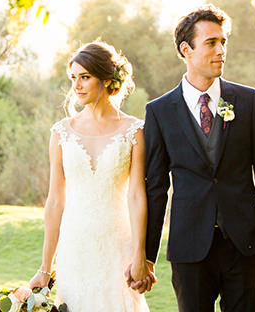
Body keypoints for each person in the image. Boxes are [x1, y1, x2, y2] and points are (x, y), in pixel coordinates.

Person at [140, 6, 255, 311]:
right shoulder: (160, 111)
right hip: (189, 247)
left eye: (223, 41)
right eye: (210, 43)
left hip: (243, 244)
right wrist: (147, 255)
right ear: (186, 49)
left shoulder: (248, 101)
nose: (221, 50)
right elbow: (155, 189)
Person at [26, 41, 152, 312]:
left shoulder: (135, 131)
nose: (77, 86)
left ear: (107, 80)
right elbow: (55, 202)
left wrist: (140, 254)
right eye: (74, 78)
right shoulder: (61, 133)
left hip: (118, 245)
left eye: (85, 77)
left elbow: (137, 195)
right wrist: (45, 268)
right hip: (75, 246)